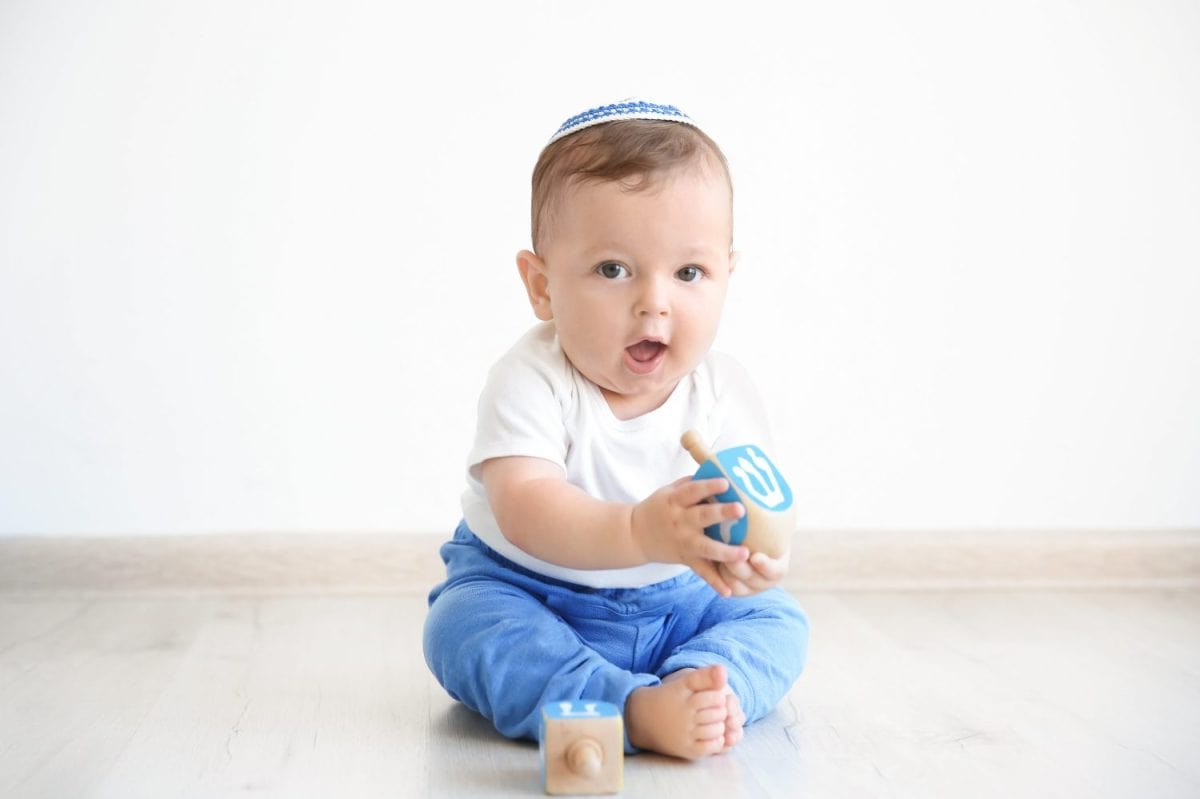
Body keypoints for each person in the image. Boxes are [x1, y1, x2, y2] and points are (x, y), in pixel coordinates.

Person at [423, 100, 809, 760]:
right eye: (613, 269)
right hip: (534, 592)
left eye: (689, 272)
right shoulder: (530, 380)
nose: (654, 301)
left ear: (726, 278)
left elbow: (746, 506)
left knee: (779, 622)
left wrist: (750, 561)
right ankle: (630, 706)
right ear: (542, 286)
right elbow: (524, 507)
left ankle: (701, 685)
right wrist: (639, 531)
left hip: (678, 600)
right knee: (462, 626)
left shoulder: (722, 390)